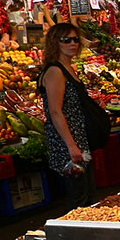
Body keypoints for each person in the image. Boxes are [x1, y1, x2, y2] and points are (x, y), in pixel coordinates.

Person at [39, 23, 95, 211]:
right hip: (66, 141)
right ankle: (75, 236)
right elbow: (55, 111)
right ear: (56, 42)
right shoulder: (55, 71)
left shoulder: (68, 68)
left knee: (86, 193)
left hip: (76, 136)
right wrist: (71, 145)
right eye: (66, 40)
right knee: (78, 197)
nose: (73, 43)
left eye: (75, 39)